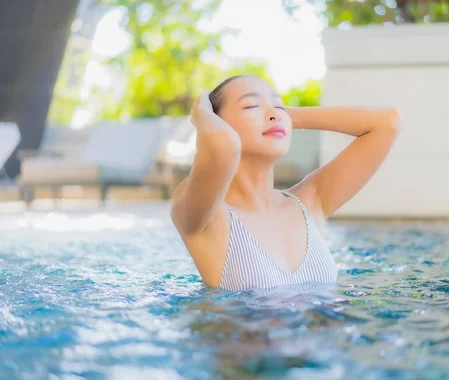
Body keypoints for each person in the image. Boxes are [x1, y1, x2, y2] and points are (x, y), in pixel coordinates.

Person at [170, 75, 400, 291]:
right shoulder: (203, 216)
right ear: (216, 123)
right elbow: (224, 146)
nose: (275, 114)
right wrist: (201, 111)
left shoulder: (311, 201)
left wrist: (286, 117)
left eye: (279, 106)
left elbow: (387, 123)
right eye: (251, 106)